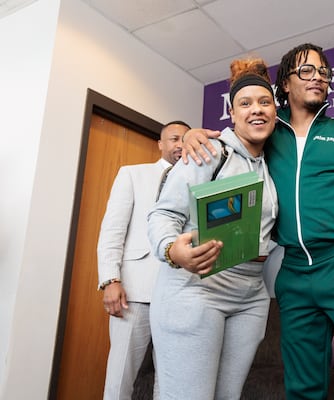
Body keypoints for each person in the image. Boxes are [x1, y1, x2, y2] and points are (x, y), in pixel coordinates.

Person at [183, 43, 334, 400]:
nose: (318, 78)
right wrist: (189, 135)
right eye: (306, 71)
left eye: (323, 72)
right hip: (293, 273)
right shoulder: (266, 136)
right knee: (302, 389)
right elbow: (229, 142)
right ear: (285, 85)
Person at [147, 57, 278, 399]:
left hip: (250, 296)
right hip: (196, 288)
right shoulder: (208, 152)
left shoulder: (274, 163)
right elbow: (162, 214)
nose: (256, 110)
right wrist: (172, 250)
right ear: (232, 115)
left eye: (265, 102)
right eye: (245, 103)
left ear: (276, 111)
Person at [97, 120, 190, 400]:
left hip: (180, 295)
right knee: (120, 377)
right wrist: (110, 280)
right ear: (160, 144)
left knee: (171, 381)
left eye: (186, 139)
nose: (180, 145)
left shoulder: (200, 180)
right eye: (174, 139)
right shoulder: (132, 175)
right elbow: (112, 231)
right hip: (135, 294)